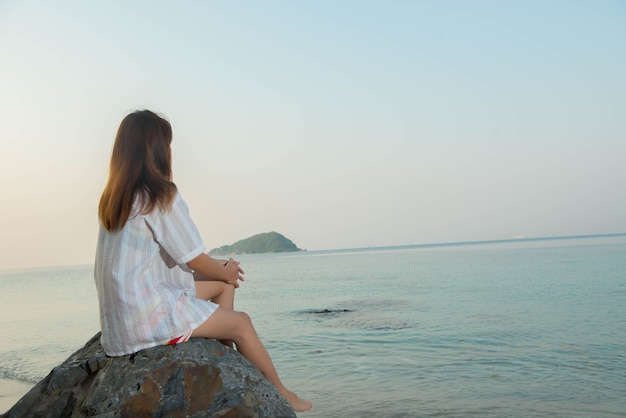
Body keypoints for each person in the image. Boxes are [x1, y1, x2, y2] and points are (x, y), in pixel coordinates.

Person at [94, 109, 312, 412]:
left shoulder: (116, 198)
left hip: (124, 315)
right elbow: (194, 258)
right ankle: (281, 391)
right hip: (146, 315)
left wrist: (222, 272)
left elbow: (180, 261)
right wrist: (225, 270)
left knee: (223, 284)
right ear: (157, 150)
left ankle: (226, 350)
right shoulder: (158, 195)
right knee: (243, 323)